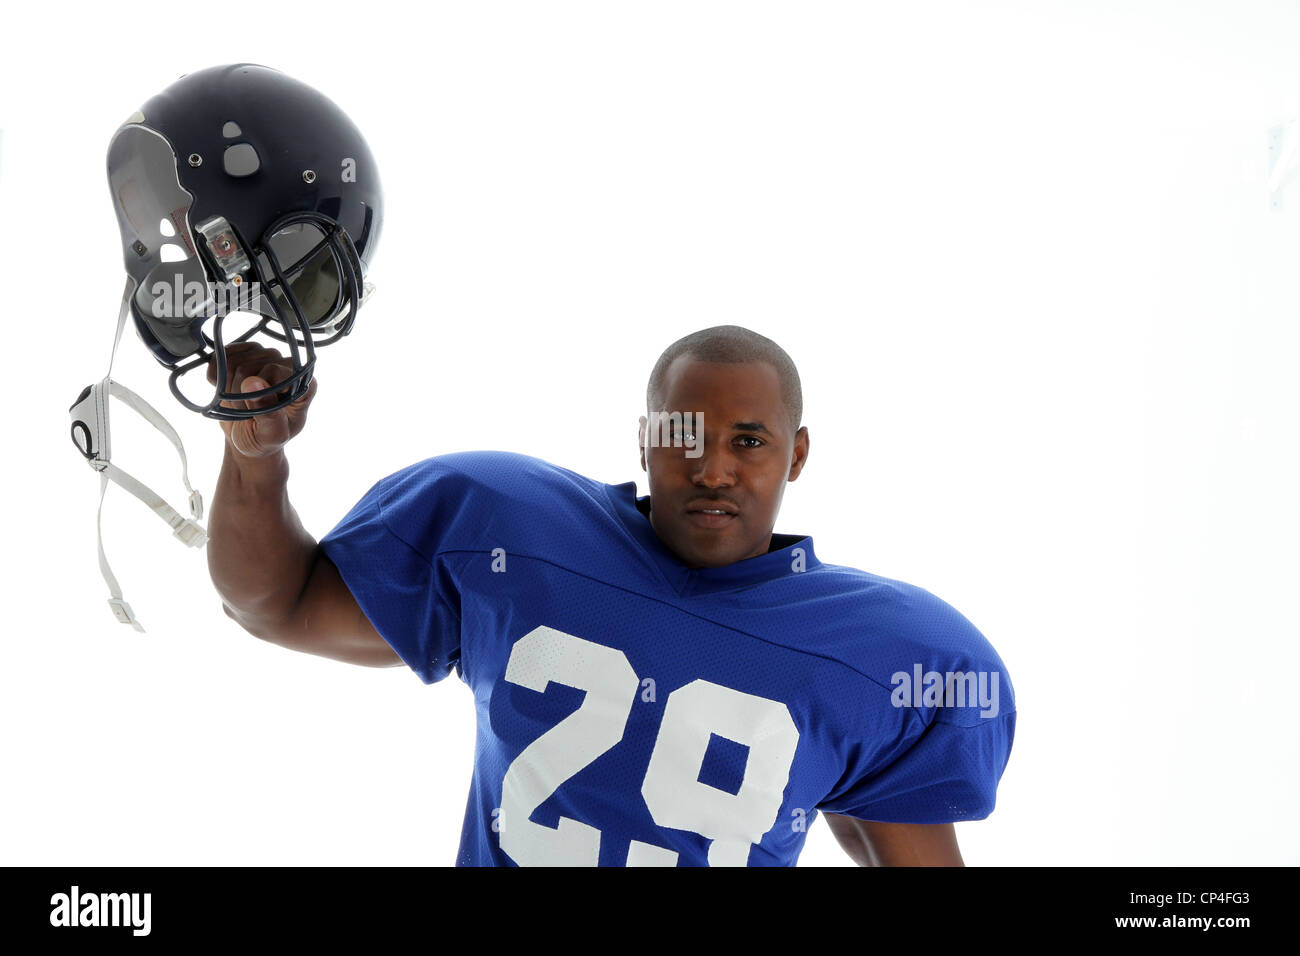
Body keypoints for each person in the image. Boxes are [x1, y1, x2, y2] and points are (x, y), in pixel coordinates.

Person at [206, 325, 1015, 866]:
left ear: (797, 454)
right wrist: (253, 457)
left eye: (749, 441)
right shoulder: (513, 535)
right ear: (646, 439)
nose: (713, 469)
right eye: (684, 436)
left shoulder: (880, 654)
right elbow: (275, 603)